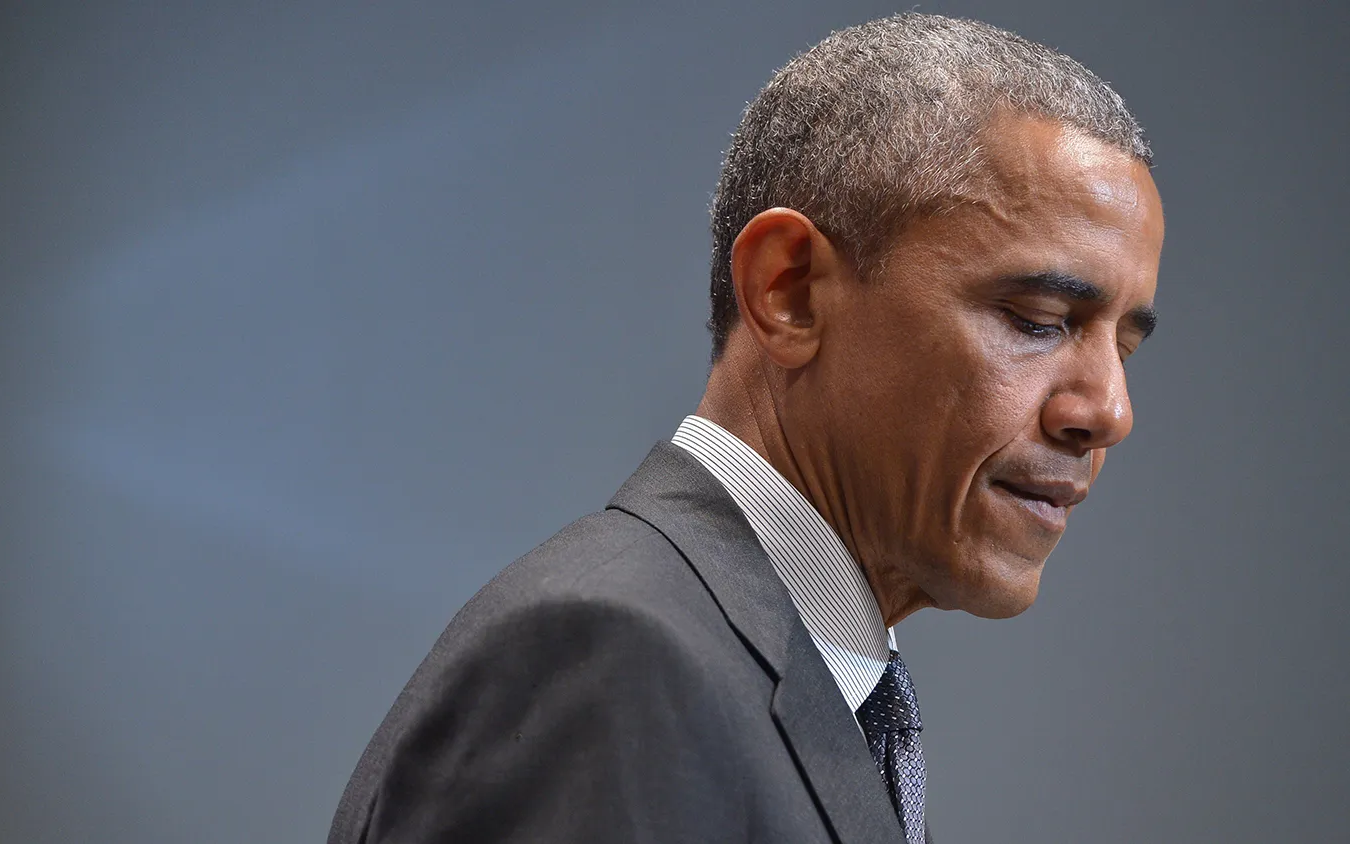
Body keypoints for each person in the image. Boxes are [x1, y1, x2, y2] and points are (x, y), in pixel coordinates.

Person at [328, 12, 1164, 844]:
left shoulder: (793, 678)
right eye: (1038, 320)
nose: (1108, 413)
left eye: (1123, 346)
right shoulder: (615, 659)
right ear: (789, 290)